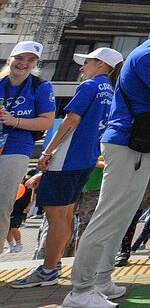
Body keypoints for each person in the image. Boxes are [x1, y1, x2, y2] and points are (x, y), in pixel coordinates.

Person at [63, 5, 150, 308]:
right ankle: (80, 290)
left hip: (138, 143)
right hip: (128, 141)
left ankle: (100, 279)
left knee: (122, 215)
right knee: (108, 216)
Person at [11, 48, 119, 290]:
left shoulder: (90, 86)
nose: (82, 67)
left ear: (101, 64)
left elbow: (71, 119)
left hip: (67, 158)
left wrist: (48, 151)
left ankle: (48, 269)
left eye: (87, 62)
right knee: (67, 215)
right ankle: (53, 264)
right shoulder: (110, 90)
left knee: (56, 216)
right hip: (87, 158)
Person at [1, 41, 57, 250]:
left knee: (2, 204)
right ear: (10, 59)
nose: (23, 63)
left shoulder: (40, 86)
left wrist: (14, 121)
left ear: (35, 64)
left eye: (30, 60)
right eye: (19, 58)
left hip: (16, 148)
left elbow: (46, 121)